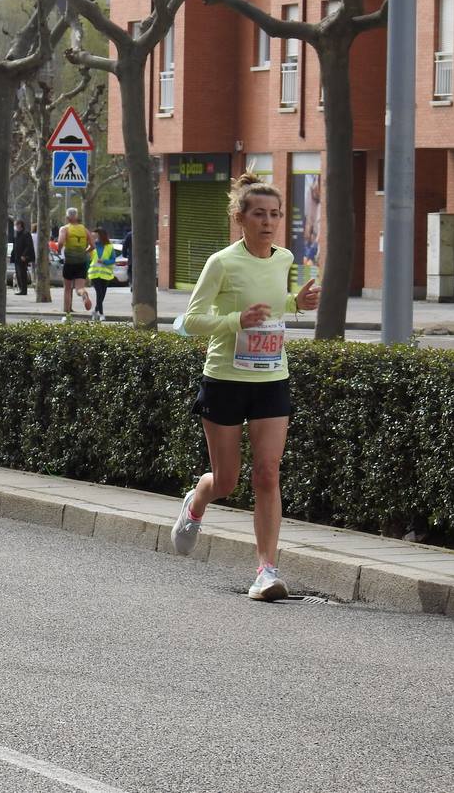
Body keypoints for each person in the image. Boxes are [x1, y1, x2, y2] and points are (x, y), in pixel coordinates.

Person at [170, 172, 321, 601]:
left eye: (275, 214)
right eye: (259, 214)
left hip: (273, 377)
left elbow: (277, 304)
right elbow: (189, 322)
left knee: (267, 473)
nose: (268, 221)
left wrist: (297, 303)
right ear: (241, 218)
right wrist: (237, 321)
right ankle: (198, 499)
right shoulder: (221, 262)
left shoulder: (285, 258)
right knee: (227, 480)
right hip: (224, 378)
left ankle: (266, 571)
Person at [58, 207, 92, 321]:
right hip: (82, 262)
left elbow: (61, 242)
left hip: (70, 262)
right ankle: (83, 294)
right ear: (77, 217)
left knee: (67, 289)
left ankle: (67, 315)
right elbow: (92, 246)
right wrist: (84, 251)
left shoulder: (64, 229)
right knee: (79, 288)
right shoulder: (85, 230)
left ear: (67, 217)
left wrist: (59, 250)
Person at [87, 228, 117, 322]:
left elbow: (113, 260)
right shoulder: (92, 246)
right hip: (95, 274)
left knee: (102, 295)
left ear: (101, 236)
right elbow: (88, 257)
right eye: (93, 236)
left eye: (96, 236)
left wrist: (104, 261)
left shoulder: (110, 247)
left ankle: (95, 311)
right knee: (99, 293)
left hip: (105, 274)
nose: (94, 237)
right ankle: (101, 314)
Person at [10, 218, 34, 295]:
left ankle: (23, 290)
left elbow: (28, 246)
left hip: (23, 257)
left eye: (16, 225)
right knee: (18, 273)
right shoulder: (17, 234)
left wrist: (24, 255)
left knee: (22, 273)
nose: (15, 226)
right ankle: (21, 289)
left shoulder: (26, 234)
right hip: (17, 257)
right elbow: (15, 245)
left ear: (20, 225)